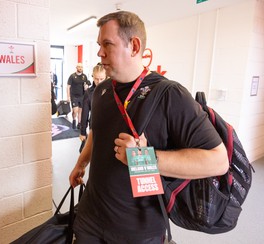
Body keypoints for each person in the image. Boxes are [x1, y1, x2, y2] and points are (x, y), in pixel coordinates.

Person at [69, 11, 228, 243]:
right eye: (99, 44)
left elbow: (218, 161)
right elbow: (97, 131)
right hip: (90, 220)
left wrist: (142, 158)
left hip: (138, 231)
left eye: (107, 44)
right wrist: (80, 164)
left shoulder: (169, 94)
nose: (99, 52)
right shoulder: (102, 91)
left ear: (134, 46)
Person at [79, 64, 106, 150]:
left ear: (106, 77)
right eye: (96, 79)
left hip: (109, 126)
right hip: (94, 126)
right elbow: (85, 114)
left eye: (102, 79)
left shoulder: (112, 90)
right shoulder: (88, 93)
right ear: (92, 77)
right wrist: (83, 132)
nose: (99, 81)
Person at [67, 63, 90, 129]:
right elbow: (68, 87)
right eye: (79, 67)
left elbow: (86, 85)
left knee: (80, 111)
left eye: (81, 67)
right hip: (74, 96)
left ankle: (79, 123)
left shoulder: (84, 76)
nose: (80, 68)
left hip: (82, 96)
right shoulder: (72, 76)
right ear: (76, 67)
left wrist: (86, 87)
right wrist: (68, 97)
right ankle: (74, 119)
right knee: (75, 111)